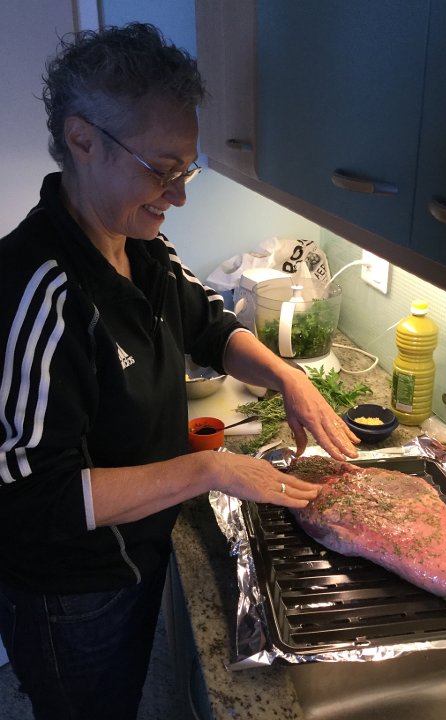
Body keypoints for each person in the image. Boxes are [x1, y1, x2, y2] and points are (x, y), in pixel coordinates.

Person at [0, 23, 359, 720]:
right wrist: (209, 469)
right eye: (161, 170)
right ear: (82, 139)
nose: (178, 195)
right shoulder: (42, 292)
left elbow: (211, 327)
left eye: (186, 170)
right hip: (72, 593)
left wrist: (289, 379)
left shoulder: (145, 248)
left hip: (139, 551)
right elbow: (34, 498)